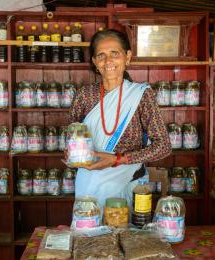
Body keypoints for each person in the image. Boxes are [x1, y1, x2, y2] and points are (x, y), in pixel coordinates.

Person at [68, 29, 172, 207]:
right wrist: (72, 153)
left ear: (127, 57)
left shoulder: (141, 95)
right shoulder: (84, 95)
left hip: (127, 184)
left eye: (114, 54)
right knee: (88, 231)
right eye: (101, 55)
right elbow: (72, 138)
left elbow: (163, 146)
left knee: (126, 232)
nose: (108, 61)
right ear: (94, 62)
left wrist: (118, 159)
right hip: (89, 185)